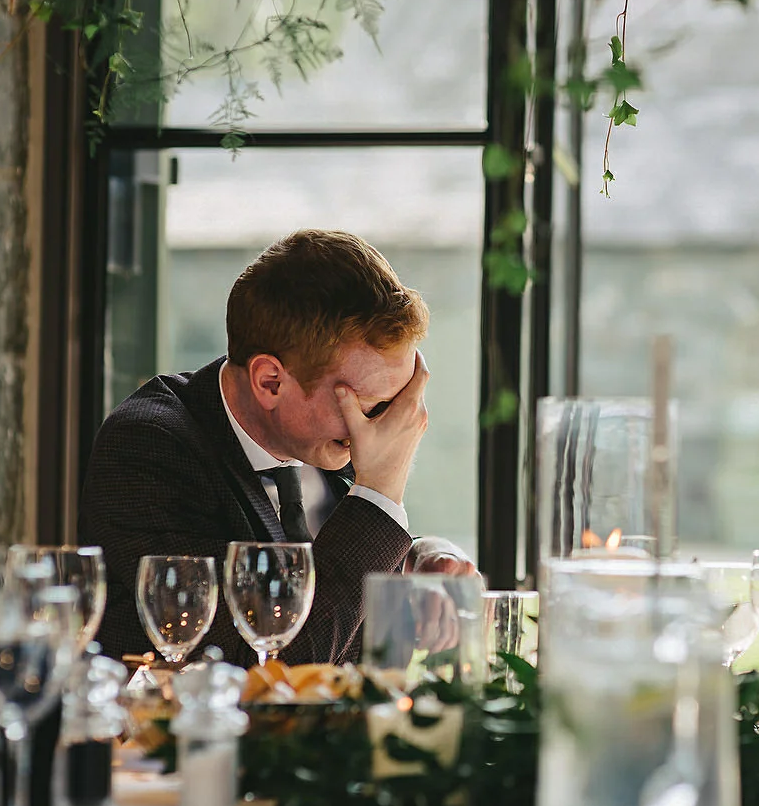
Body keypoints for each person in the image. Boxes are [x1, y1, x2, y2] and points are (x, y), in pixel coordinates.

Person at [81, 229, 474, 668]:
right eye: (373, 406)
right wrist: (380, 496)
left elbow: (340, 570)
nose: (390, 426)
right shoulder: (148, 450)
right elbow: (269, 666)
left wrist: (410, 563)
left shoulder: (319, 438)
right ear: (271, 381)